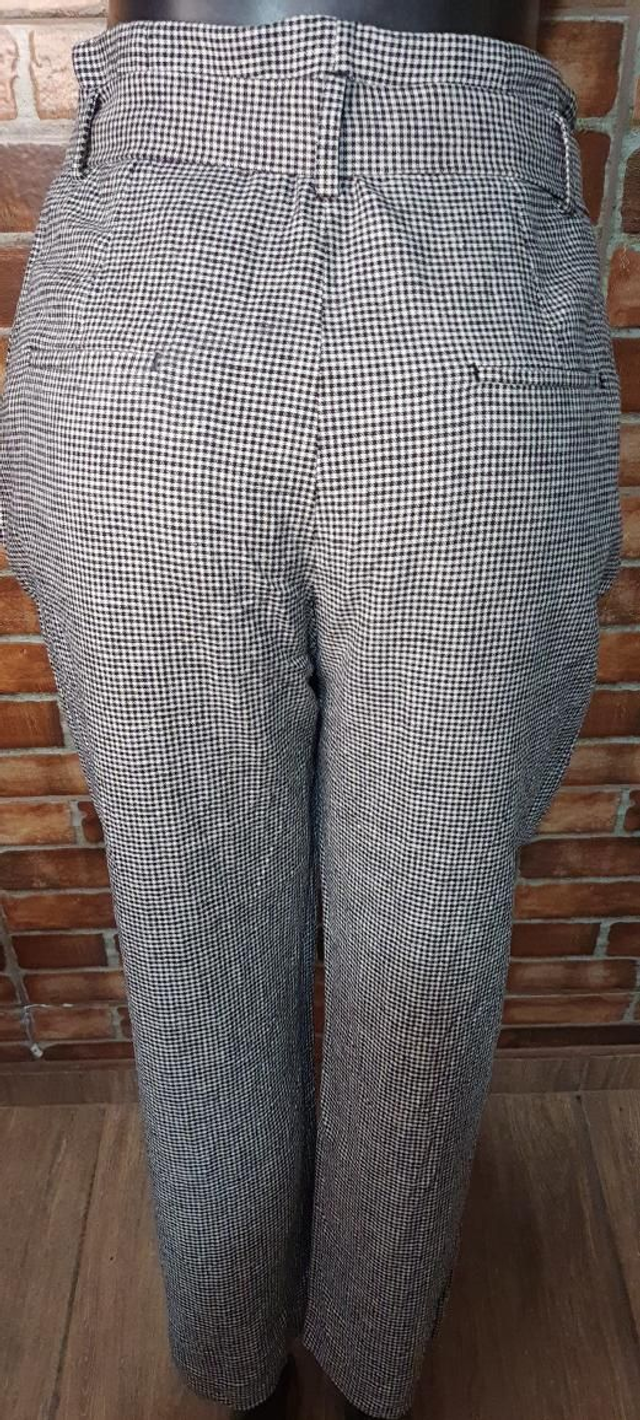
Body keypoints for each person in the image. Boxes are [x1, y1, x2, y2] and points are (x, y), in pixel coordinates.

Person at [0, 3, 622, 1419]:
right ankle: (245, 1370)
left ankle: (357, 1370)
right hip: (176, 248)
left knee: (426, 932)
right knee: (201, 913)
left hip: (449, 223)